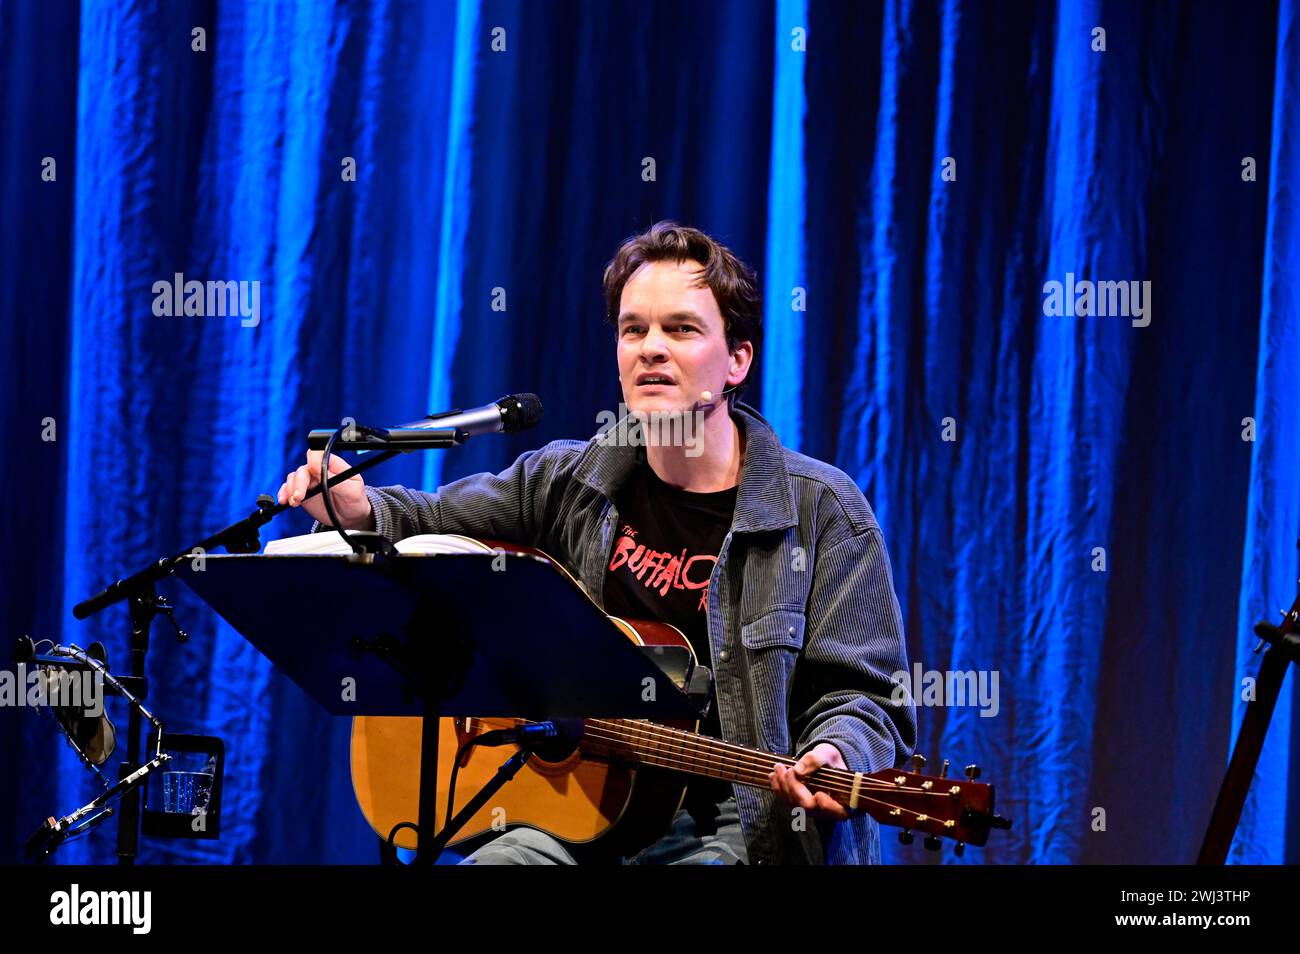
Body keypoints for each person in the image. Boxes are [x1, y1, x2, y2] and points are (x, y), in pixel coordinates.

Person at [277, 221, 916, 864]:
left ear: (737, 361)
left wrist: (838, 750)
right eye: (633, 330)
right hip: (575, 811)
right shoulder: (567, 479)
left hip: (737, 826)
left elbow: (867, 695)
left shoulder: (822, 511)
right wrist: (357, 507)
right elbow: (430, 525)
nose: (651, 349)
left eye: (682, 329)